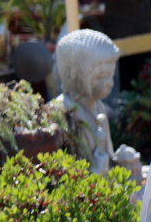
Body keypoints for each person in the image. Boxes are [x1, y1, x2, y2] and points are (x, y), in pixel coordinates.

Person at [54, 29, 141, 178]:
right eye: (102, 76)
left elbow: (107, 159)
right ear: (77, 75)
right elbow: (60, 178)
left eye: (111, 76)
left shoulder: (98, 107)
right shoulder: (60, 114)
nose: (110, 83)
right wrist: (96, 173)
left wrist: (122, 161)